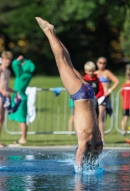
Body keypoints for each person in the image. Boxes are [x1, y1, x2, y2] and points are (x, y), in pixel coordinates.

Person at [35, 17, 103, 170]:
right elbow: (79, 161)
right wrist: (79, 170)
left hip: (89, 95)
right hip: (80, 95)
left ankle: (53, 34)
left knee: (68, 62)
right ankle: (49, 32)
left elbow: (96, 161)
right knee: (60, 61)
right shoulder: (86, 142)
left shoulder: (98, 143)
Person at [9, 55, 35, 144]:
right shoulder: (28, 75)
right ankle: (23, 138)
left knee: (22, 119)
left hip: (19, 97)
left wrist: (19, 60)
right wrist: (25, 60)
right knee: (22, 118)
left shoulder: (21, 74)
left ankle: (23, 138)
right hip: (23, 96)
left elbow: (14, 64)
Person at [95, 57, 119, 144]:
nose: (102, 65)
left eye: (104, 63)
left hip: (104, 97)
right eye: (100, 63)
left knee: (100, 118)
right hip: (96, 97)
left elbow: (117, 81)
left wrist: (109, 90)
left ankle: (102, 139)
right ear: (97, 63)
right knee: (95, 118)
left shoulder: (107, 72)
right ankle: (95, 137)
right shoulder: (95, 73)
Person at [0, 51, 18, 147]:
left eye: (9, 60)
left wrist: (15, 92)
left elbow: (6, 87)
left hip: (4, 95)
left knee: (2, 118)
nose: (8, 61)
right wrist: (2, 91)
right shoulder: (1, 70)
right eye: (6, 59)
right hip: (0, 94)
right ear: (2, 59)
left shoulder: (8, 71)